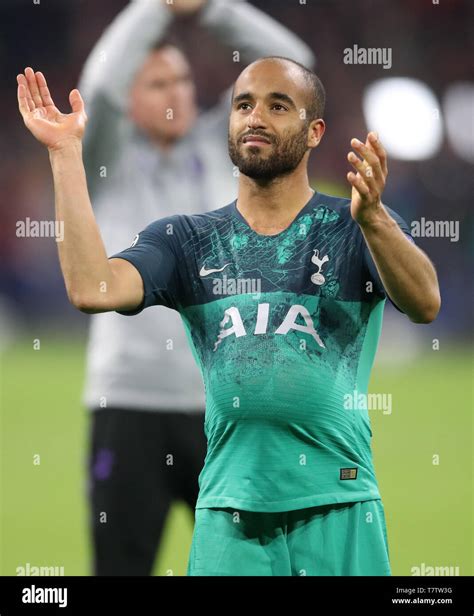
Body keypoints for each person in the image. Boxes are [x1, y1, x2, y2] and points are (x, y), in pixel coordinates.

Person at [17, 55, 440, 576]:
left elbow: (424, 304)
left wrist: (375, 220)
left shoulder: (353, 224)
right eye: (244, 105)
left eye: (278, 106)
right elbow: (91, 286)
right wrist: (64, 153)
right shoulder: (187, 239)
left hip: (341, 501)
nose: (255, 117)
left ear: (315, 132)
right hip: (228, 515)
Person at [76, 0, 315, 575]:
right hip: (129, 405)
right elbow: (99, 83)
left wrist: (211, 8)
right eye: (157, 82)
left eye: (182, 79)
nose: (176, 93)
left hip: (228, 406)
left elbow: (296, 67)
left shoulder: (225, 149)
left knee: (253, 568)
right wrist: (156, 7)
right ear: (131, 100)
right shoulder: (104, 159)